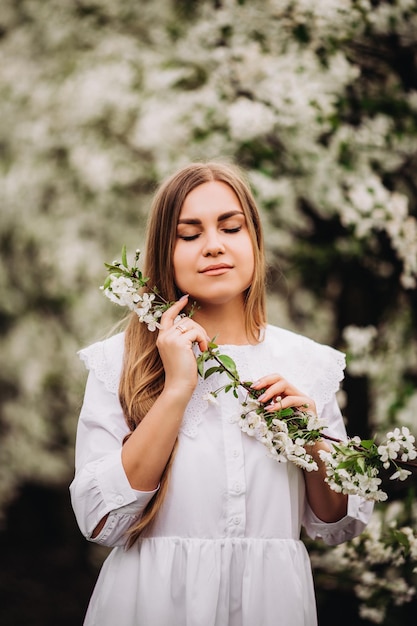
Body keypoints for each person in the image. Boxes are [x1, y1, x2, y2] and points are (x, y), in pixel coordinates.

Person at [70, 161, 373, 626]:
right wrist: (176, 389)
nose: (213, 246)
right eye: (189, 235)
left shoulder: (307, 363)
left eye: (231, 227)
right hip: (150, 606)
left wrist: (311, 439)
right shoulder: (121, 362)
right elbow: (99, 519)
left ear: (254, 240)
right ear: (163, 252)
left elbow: (335, 523)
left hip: (271, 606)